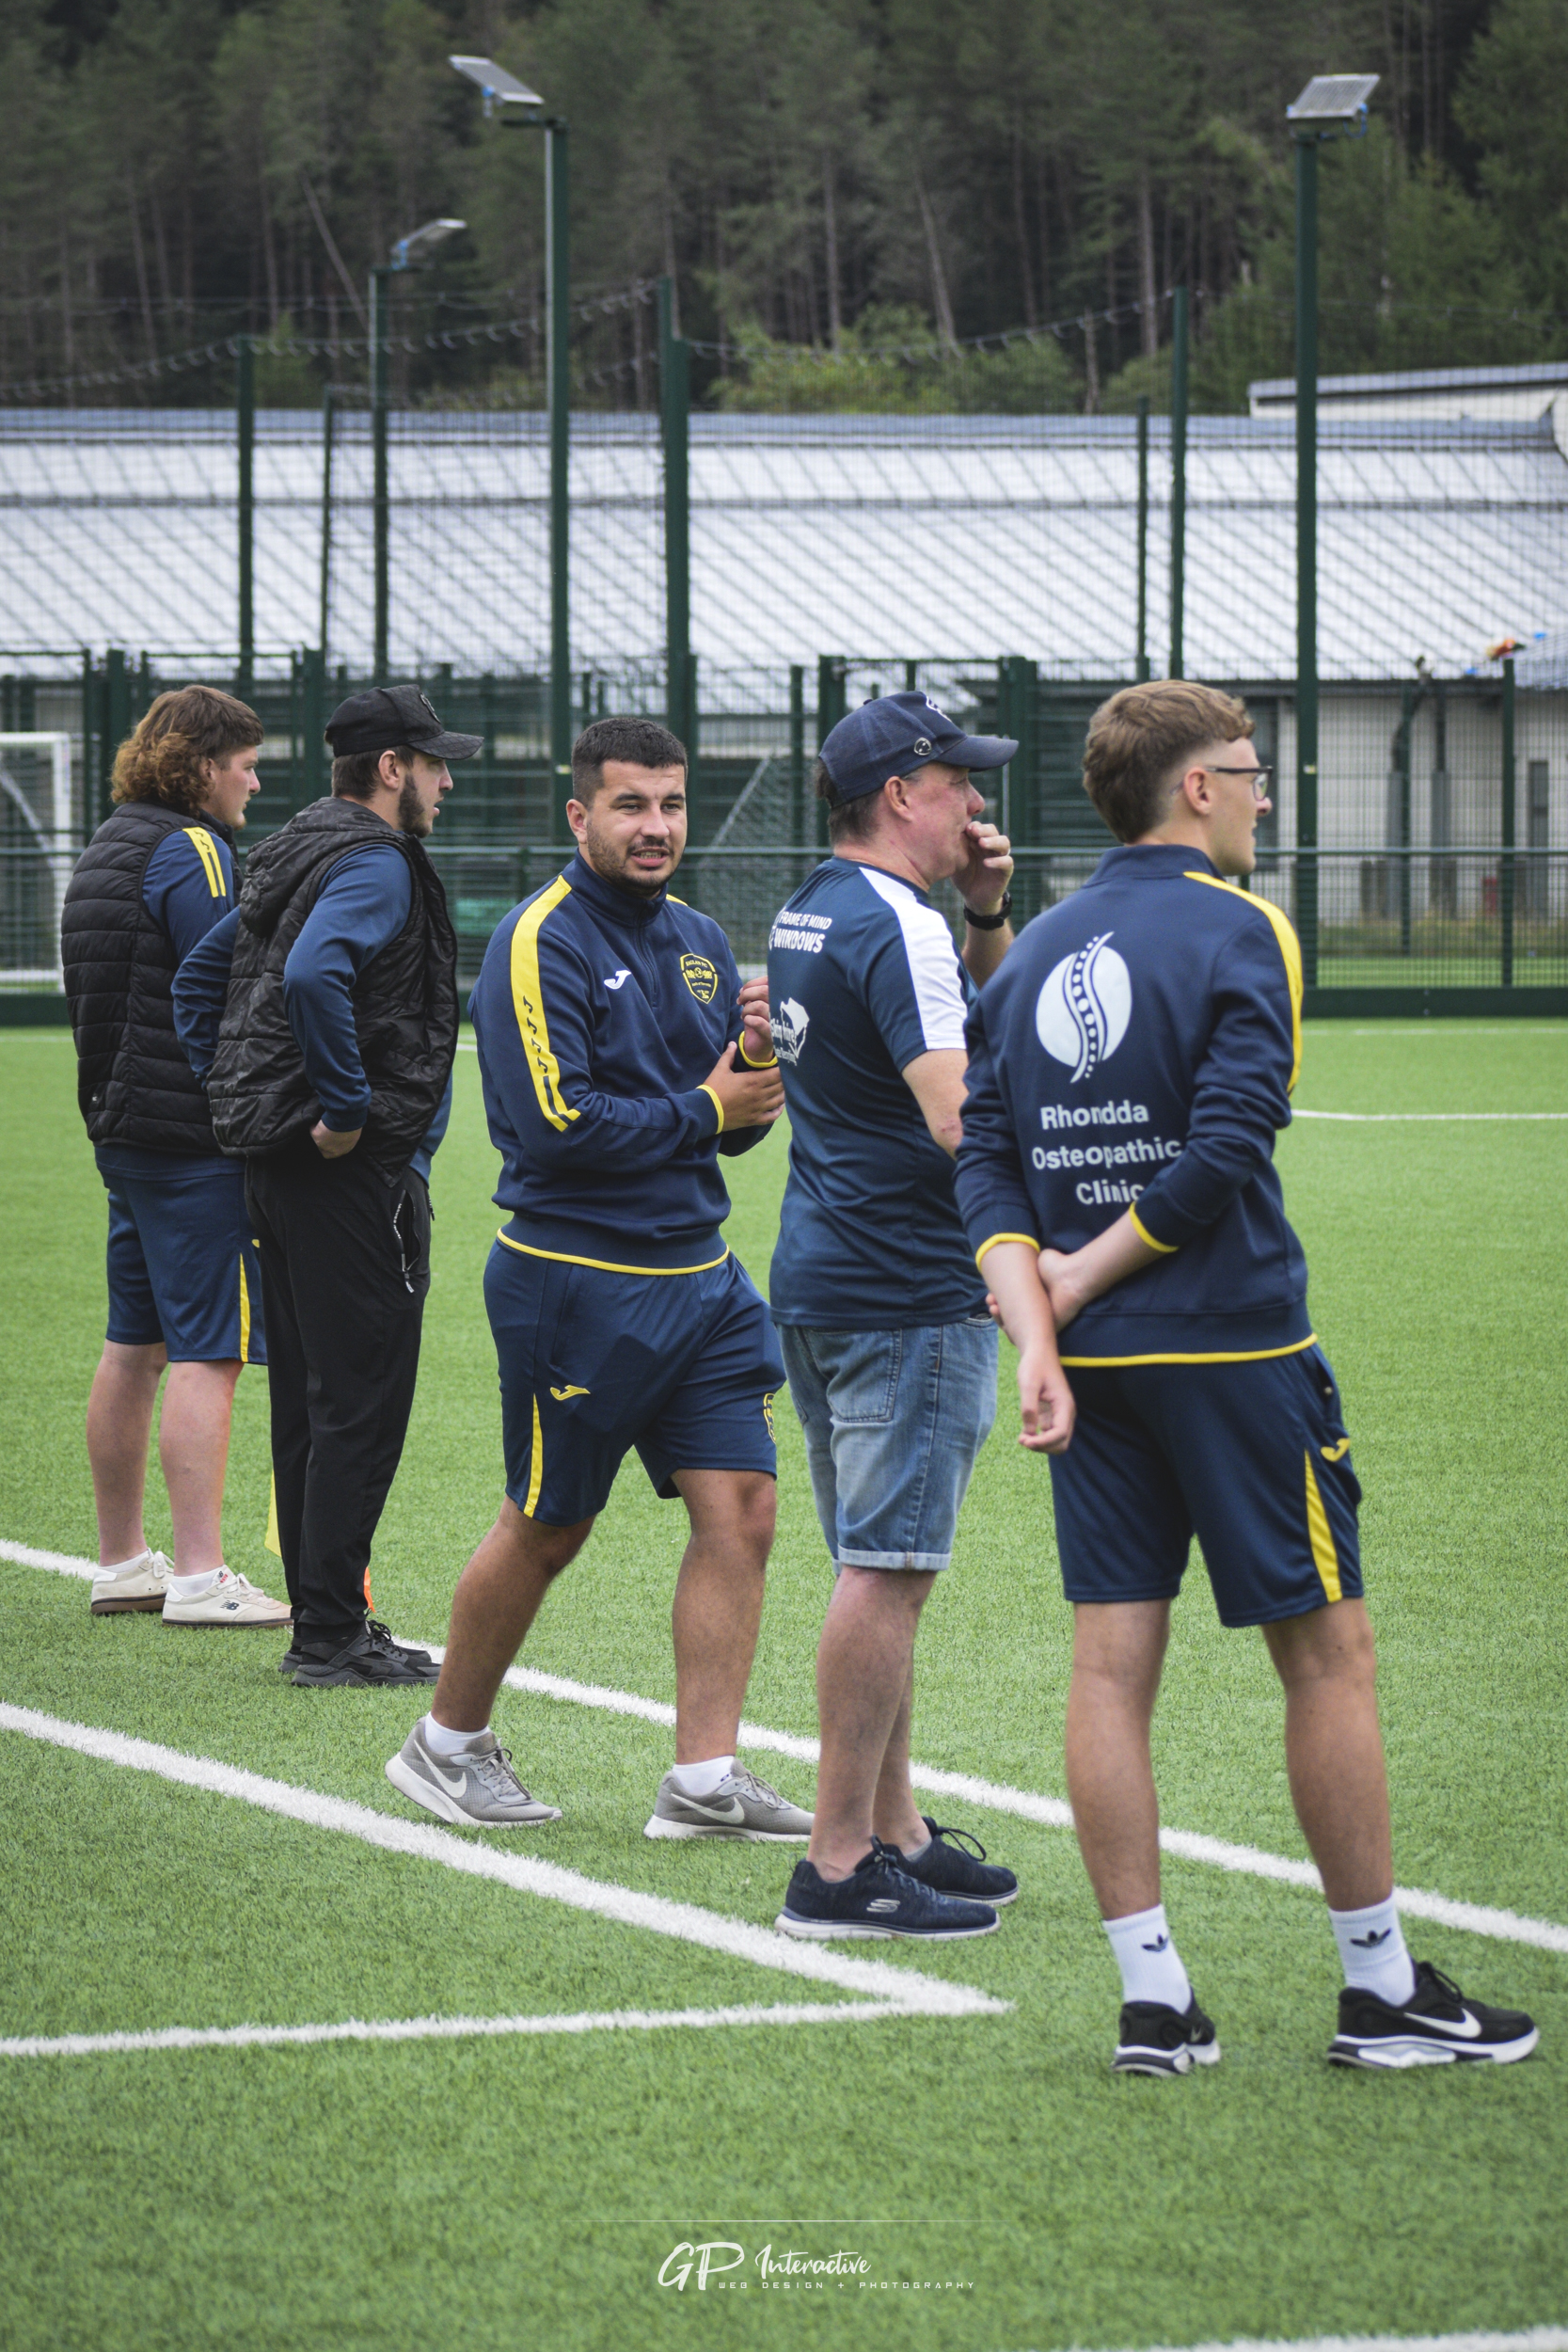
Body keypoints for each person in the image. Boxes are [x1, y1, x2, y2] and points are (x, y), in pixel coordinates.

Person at [955, 677, 1539, 2073]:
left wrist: (1039, 1331)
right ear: (1192, 789)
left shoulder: (1032, 947)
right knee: (1324, 1652)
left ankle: (1152, 2001)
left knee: (1108, 1670)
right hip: (1232, 1346)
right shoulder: (1239, 929)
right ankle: (1378, 1989)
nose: (1265, 791)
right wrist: (1078, 1285)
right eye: (1248, 766)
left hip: (1089, 1374)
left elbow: (982, 1161)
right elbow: (1223, 1151)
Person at [384, 714, 813, 1840]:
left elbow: (729, 1133)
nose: (656, 826)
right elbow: (554, 1120)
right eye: (631, 804)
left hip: (704, 1277)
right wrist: (706, 1106)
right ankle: (445, 1744)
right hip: (575, 1278)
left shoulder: (703, 941)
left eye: (671, 804)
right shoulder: (542, 938)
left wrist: (750, 1071)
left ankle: (706, 1779)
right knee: (549, 1521)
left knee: (745, 1507)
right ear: (579, 816)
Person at [762, 691, 1070, 1943]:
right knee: (887, 1574)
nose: (976, 804)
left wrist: (986, 917)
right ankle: (837, 1865)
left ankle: (889, 1833)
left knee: (871, 1567)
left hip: (827, 1272)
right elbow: (960, 1114)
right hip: (905, 1288)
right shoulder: (896, 923)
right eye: (958, 782)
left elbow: (948, 1044)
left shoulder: (815, 905)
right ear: (900, 793)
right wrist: (1039, 1255)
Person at [176, 683, 473, 1686]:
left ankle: (324, 1619)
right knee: (360, 1397)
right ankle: (334, 1633)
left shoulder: (293, 846)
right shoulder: (375, 861)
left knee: (310, 1400)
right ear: (390, 769)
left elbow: (197, 984)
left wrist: (243, 1092)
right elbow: (311, 975)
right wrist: (342, 1108)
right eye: (432, 761)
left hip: (274, 1166)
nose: (443, 777)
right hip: (343, 1172)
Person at [60, 686, 291, 1629]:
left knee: (134, 1344)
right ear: (202, 766)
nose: (254, 777)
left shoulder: (106, 845)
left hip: (123, 1131)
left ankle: (125, 1560)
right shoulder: (193, 848)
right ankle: (199, 1575)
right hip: (194, 1140)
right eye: (243, 761)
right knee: (210, 1349)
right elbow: (232, 988)